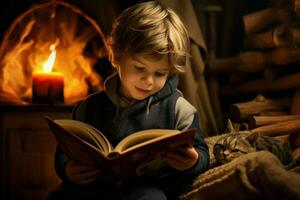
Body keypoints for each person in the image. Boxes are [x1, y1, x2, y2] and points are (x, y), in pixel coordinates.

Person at [48, 1, 209, 199]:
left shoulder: (180, 110)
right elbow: (65, 150)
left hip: (148, 190)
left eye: (159, 73)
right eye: (139, 68)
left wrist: (193, 162)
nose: (148, 81)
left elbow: (202, 153)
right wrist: (67, 169)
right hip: (96, 188)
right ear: (116, 57)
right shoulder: (88, 108)